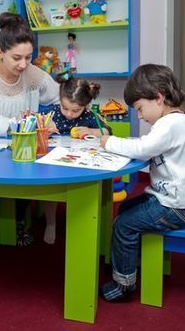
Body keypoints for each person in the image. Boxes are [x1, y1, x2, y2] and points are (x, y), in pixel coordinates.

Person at [98, 64, 185, 302]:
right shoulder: (174, 121)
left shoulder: (171, 124)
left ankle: (124, 284)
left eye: (140, 108)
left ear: (158, 98)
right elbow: (147, 145)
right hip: (176, 200)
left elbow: (144, 148)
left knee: (123, 225)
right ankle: (128, 261)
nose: (139, 116)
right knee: (126, 208)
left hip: (179, 207)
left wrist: (109, 141)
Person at [0, 12, 59, 245]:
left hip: (21, 145)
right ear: (0, 52)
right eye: (16, 58)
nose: (23, 64)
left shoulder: (32, 73)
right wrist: (24, 124)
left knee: (30, 172)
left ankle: (17, 219)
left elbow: (59, 97)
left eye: (29, 57)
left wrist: (55, 119)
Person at [42, 75, 112, 245]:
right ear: (60, 100)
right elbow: (36, 127)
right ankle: (50, 223)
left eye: (75, 110)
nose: (69, 114)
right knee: (50, 190)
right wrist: (45, 128)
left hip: (81, 163)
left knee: (85, 192)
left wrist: (91, 131)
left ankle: (83, 219)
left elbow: (107, 131)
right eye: (65, 108)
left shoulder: (89, 116)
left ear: (85, 106)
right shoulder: (51, 113)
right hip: (55, 162)